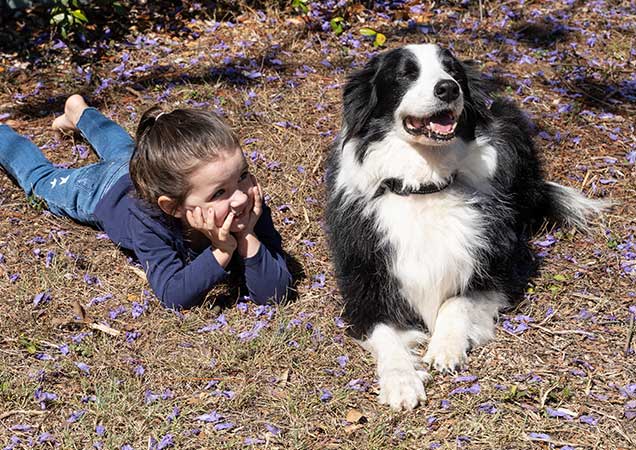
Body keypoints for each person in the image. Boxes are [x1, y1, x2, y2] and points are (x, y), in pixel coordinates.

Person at [0, 95, 292, 308]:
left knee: (126, 150)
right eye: (219, 192)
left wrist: (247, 236)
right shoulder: (148, 219)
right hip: (103, 189)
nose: (240, 196)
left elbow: (274, 294)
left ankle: (79, 111)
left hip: (142, 168)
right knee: (41, 180)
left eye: (242, 175)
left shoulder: (244, 205)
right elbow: (173, 293)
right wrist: (221, 250)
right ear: (173, 207)